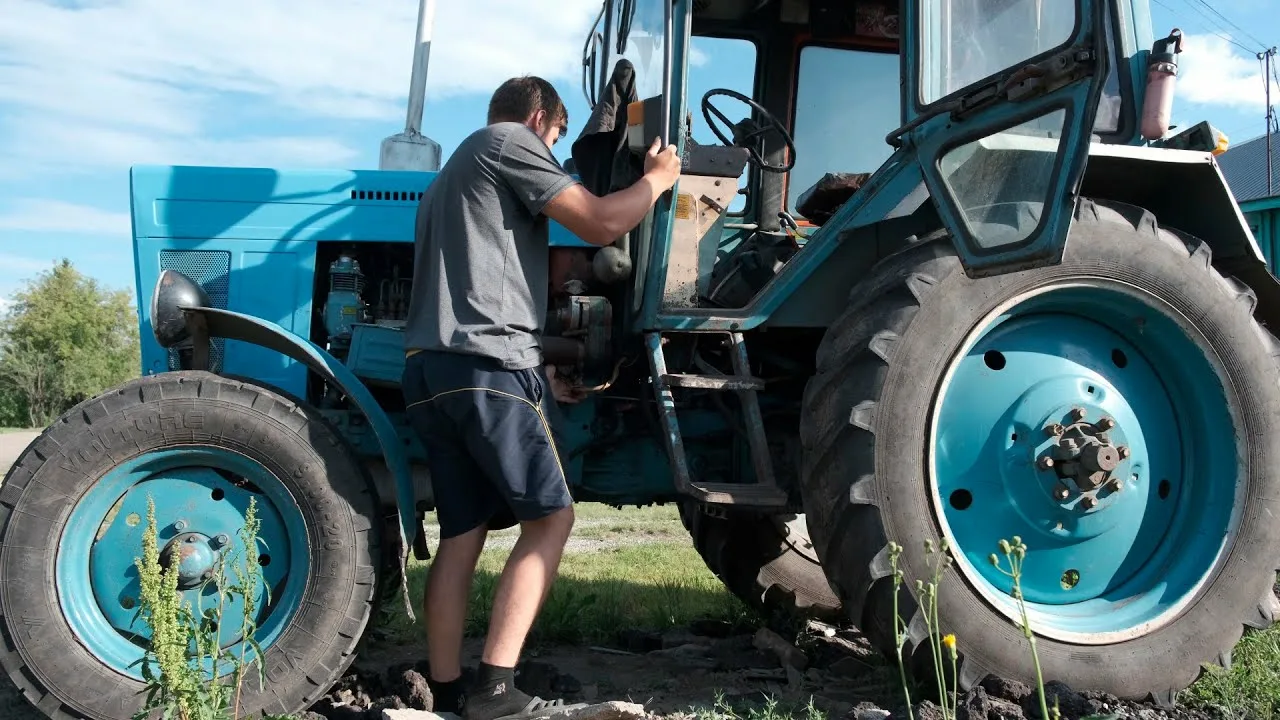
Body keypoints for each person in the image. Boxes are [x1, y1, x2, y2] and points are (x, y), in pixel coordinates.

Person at [401, 75, 682, 720]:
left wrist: (542, 362)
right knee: (552, 519)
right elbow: (602, 222)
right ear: (539, 118)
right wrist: (659, 178)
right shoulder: (509, 141)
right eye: (556, 138)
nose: (553, 150)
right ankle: (496, 691)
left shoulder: (450, 174)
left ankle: (445, 691)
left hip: (431, 371)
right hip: (484, 367)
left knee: (462, 533)